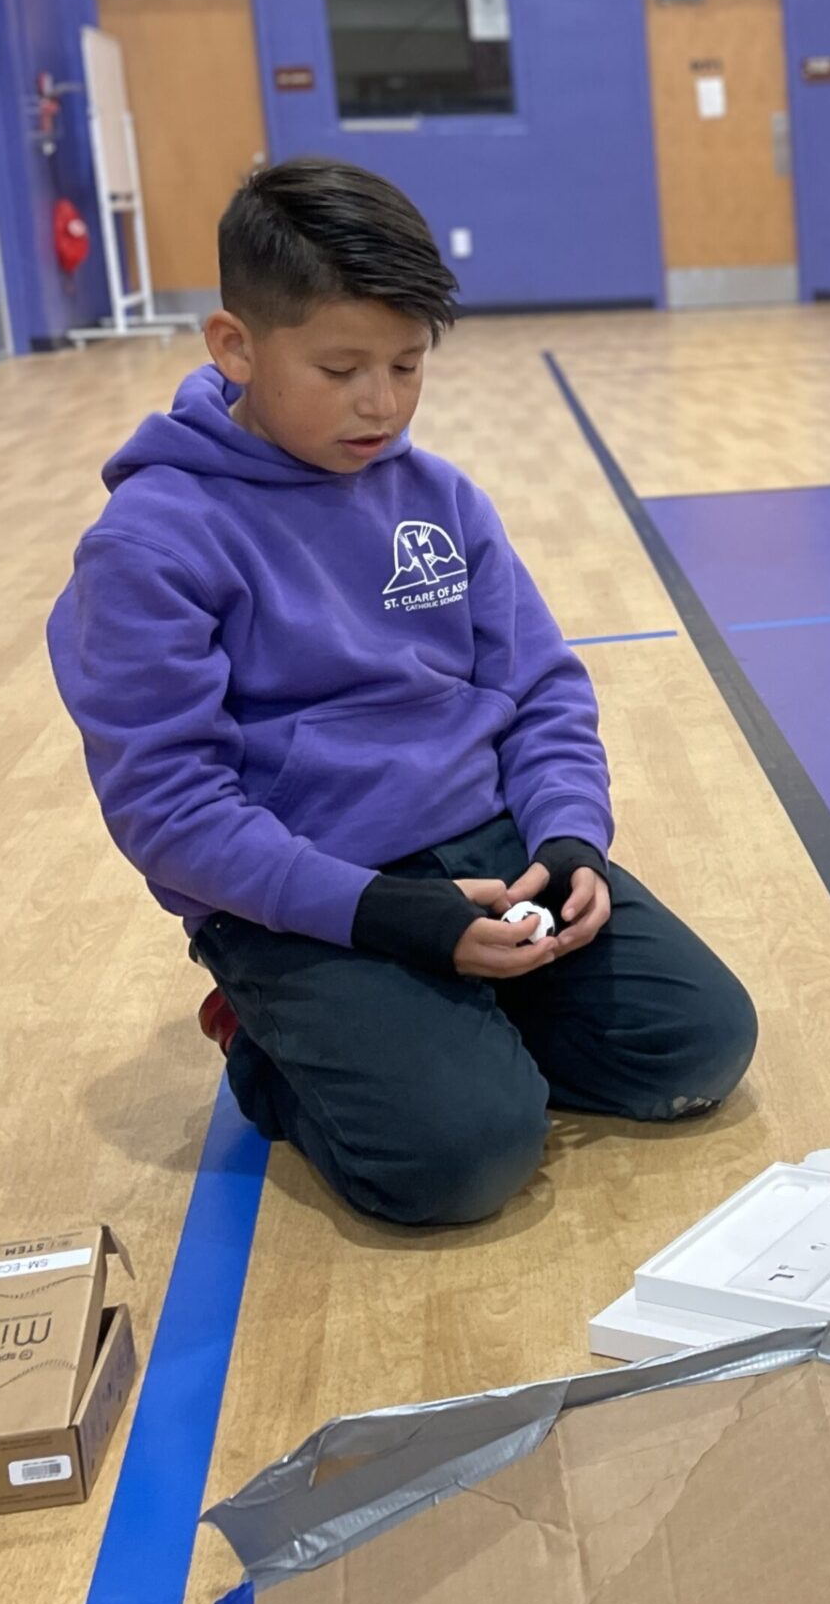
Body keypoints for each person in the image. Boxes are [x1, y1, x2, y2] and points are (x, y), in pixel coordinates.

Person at [48, 159, 756, 1226]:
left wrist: (570, 840)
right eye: (339, 369)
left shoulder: (440, 496)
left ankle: (446, 1029)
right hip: (307, 893)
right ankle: (272, 1047)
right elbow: (169, 811)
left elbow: (542, 691)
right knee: (460, 1160)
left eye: (407, 366)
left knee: (700, 1045)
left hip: (489, 849)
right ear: (235, 346)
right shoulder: (150, 544)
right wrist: (381, 917)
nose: (380, 403)